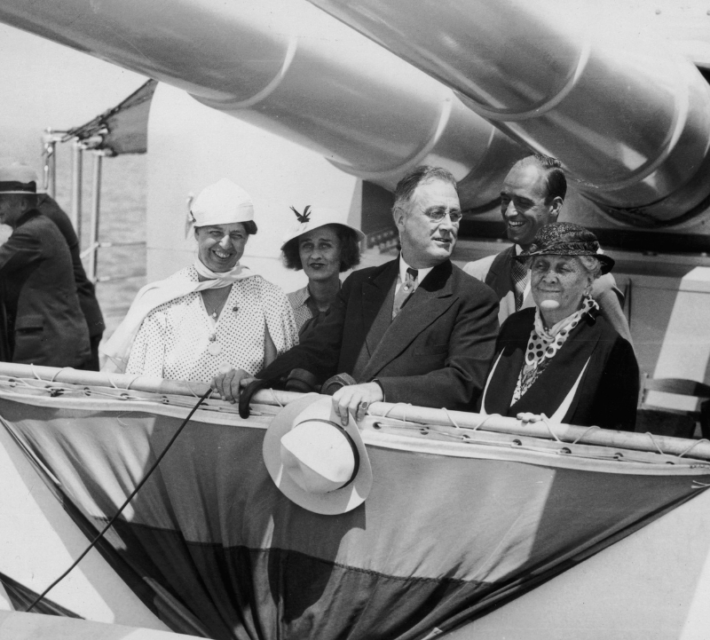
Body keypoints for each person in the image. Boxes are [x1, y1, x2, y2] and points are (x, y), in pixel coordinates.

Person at [213, 165, 500, 423]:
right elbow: (318, 349)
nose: (449, 225)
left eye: (455, 215)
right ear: (401, 218)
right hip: (345, 444)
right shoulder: (361, 284)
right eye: (436, 213)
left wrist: (380, 390)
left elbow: (463, 381)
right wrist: (258, 379)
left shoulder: (474, 297)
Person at [101, 179, 298, 382]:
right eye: (215, 232)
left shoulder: (269, 299)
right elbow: (144, 391)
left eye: (236, 235)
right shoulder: (161, 304)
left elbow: (280, 386)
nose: (225, 243)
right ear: (197, 233)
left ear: (246, 239)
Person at [479, 222, 639, 431]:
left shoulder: (612, 350)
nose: (549, 278)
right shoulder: (514, 326)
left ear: (589, 281)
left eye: (563, 268)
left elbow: (616, 444)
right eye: (540, 266)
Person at [463, 154, 633, 344]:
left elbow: (623, 365)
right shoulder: (476, 275)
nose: (510, 211)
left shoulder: (594, 283)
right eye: (505, 200)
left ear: (554, 206)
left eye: (523, 202)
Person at [0, 160, 91, 368]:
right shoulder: (40, 226)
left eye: (1, 201)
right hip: (59, 341)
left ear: (23, 204)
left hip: (48, 349)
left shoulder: (31, 233)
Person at [36, 193, 105, 370]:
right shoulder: (43, 211)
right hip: (78, 322)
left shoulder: (42, 219)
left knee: (83, 393)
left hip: (76, 326)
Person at [281, 205, 363, 335]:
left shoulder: (359, 308)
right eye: (307, 246)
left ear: (343, 250)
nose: (315, 255)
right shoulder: (282, 309)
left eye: (325, 245)